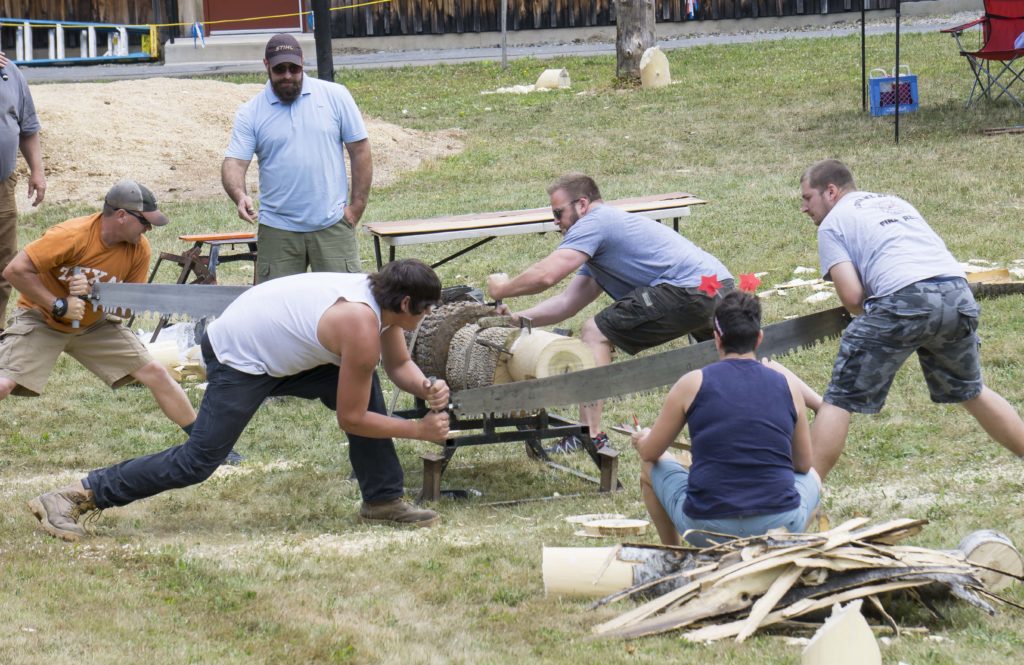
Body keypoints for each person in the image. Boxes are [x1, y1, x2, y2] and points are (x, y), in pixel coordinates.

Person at [28, 259, 452, 542]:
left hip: (274, 347)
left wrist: (425, 386)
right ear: (405, 302)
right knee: (200, 460)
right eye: (428, 309)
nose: (429, 316)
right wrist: (416, 429)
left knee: (368, 386)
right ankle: (73, 495)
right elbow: (352, 418)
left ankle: (381, 500)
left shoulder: (380, 304)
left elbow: (399, 366)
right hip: (240, 357)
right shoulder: (360, 324)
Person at [800, 159, 1024, 479]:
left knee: (838, 400)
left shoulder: (833, 223)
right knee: (970, 390)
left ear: (831, 192)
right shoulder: (895, 202)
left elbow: (851, 299)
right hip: (956, 294)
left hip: (903, 299)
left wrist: (883, 322)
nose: (804, 208)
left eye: (807, 198)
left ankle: (804, 495)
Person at [486, 173, 734, 453]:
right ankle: (742, 425)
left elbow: (546, 276)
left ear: (581, 204)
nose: (556, 222)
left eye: (558, 213)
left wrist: (502, 289)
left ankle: (589, 435)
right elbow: (568, 302)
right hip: (718, 289)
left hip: (690, 290)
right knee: (729, 363)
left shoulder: (595, 222)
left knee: (595, 332)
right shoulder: (604, 236)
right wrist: (517, 319)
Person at [0, 180, 196, 435]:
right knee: (4, 384)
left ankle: (206, 446)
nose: (148, 229)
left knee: (156, 372)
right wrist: (58, 304)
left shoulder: (139, 249)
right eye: (145, 222)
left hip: (94, 326)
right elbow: (14, 271)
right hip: (42, 319)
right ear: (122, 216)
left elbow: (126, 310)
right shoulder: (71, 235)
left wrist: (94, 293)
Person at [631, 291, 821, 547]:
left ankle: (673, 556)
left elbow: (650, 452)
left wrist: (642, 438)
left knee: (648, 467)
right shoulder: (788, 385)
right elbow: (803, 465)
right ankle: (780, 555)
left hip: (705, 529)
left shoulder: (692, 383)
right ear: (759, 338)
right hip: (778, 524)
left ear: (717, 339)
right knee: (814, 479)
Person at [221, 33, 372, 282]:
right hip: (277, 229)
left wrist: (356, 207)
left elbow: (360, 150)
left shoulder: (335, 96)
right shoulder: (251, 112)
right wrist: (239, 195)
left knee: (343, 305)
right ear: (266, 66)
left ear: (303, 63)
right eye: (280, 69)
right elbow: (235, 162)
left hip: (332, 224)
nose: (288, 75)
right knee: (275, 312)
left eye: (294, 68)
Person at [0, 50, 46, 327]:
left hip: (2, 184)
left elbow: (27, 126)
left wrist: (37, 171)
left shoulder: (11, 73)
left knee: (4, 261)